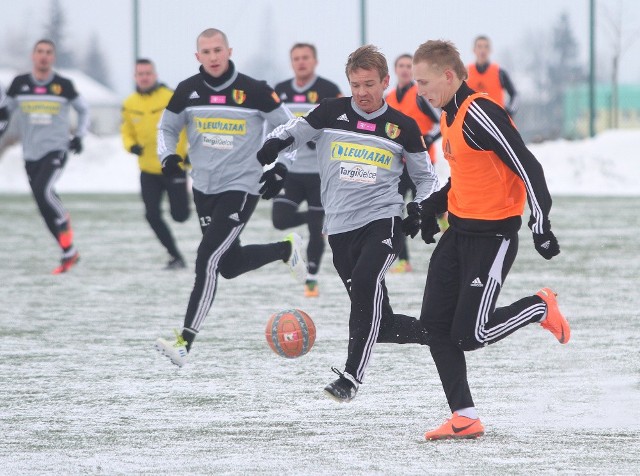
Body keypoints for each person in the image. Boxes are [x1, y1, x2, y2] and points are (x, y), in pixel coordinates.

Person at [256, 45, 440, 402]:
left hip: (382, 223)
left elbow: (427, 178)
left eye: (369, 84)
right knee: (380, 324)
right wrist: (275, 150)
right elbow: (295, 131)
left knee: (366, 287)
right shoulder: (331, 112)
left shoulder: (402, 127)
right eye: (355, 85)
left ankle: (351, 377)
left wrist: (418, 207)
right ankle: (447, 333)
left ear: (385, 82)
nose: (362, 93)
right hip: (339, 231)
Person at [411, 40, 569, 440]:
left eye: (425, 82)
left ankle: (539, 306)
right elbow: (465, 175)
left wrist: (541, 224)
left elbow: (527, 165)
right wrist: (434, 208)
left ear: (449, 75)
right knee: (433, 325)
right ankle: (464, 416)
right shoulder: (449, 114)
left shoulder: (479, 111)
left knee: (470, 335)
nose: (420, 91)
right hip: (458, 233)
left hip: (492, 237)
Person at [154, 28, 306, 367]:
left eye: (217, 49)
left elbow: (291, 129)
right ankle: (285, 249)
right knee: (228, 264)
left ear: (228, 50)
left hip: (242, 186)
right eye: (206, 51)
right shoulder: (187, 91)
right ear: (198, 57)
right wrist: (167, 157)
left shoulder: (254, 91)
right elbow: (166, 128)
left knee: (206, 259)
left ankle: (184, 342)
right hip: (203, 188)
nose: (213, 56)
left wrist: (280, 168)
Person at [0, 39, 89, 274]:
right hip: (30, 153)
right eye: (40, 52)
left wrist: (79, 135)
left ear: (53, 57)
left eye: (48, 52)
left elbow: (84, 110)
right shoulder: (20, 84)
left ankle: (64, 217)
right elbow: (5, 109)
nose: (44, 56)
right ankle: (68, 252)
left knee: (44, 191)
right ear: (33, 56)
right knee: (42, 205)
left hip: (56, 149)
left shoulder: (63, 85)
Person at [272, 43, 343, 297]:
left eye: (305, 58)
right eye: (296, 58)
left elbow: (340, 127)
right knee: (280, 220)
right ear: (292, 62)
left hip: (320, 174)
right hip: (291, 170)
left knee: (316, 232)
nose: (301, 62)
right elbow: (273, 125)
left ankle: (311, 279)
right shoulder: (280, 91)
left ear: (315, 61)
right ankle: (312, 222)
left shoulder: (328, 90)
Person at [121, 58, 191, 270]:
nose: (144, 77)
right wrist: (131, 145)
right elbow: (126, 130)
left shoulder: (171, 97)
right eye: (140, 74)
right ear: (135, 77)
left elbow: (190, 124)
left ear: (155, 75)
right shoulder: (129, 103)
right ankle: (175, 256)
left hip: (173, 166)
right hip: (148, 170)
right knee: (151, 215)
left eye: (147, 73)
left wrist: (188, 152)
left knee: (180, 216)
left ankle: (185, 205)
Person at [385, 53, 442, 273]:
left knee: (426, 206)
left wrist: (427, 138)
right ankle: (403, 260)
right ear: (395, 70)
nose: (405, 69)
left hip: (421, 164)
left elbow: (441, 121)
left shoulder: (420, 96)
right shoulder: (388, 98)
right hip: (397, 165)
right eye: (401, 65)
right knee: (395, 210)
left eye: (409, 66)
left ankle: (441, 214)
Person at [466, 35, 518, 116]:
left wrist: (509, 112)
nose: (483, 50)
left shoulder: (500, 72)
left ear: (490, 50)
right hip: (472, 120)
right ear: (474, 50)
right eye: (479, 47)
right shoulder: (465, 74)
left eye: (486, 47)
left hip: (496, 120)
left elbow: (515, 95)